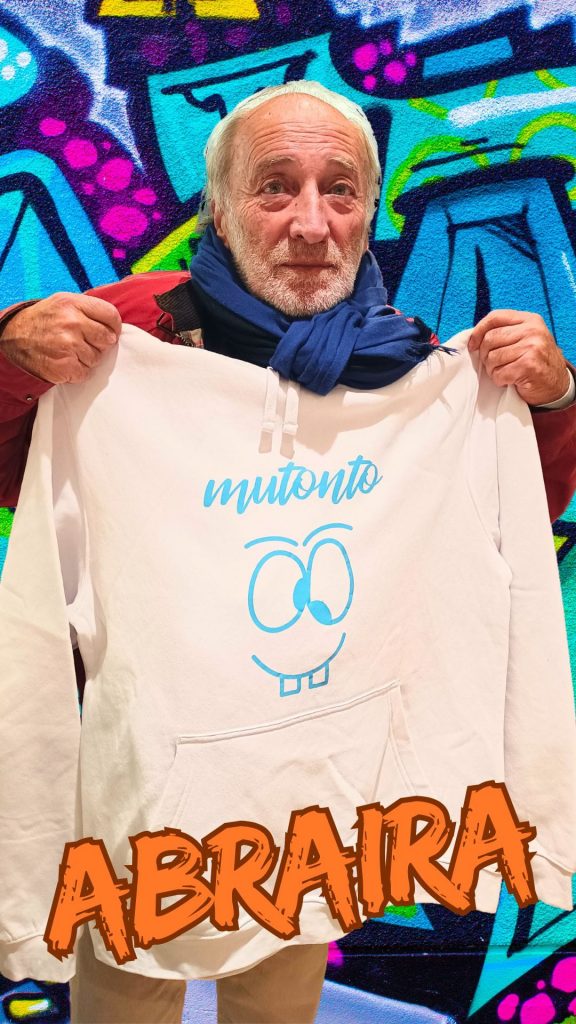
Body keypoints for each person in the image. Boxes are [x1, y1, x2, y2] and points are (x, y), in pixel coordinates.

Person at [0, 81, 575, 1024]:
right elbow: (19, 477)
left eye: (339, 190)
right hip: (150, 784)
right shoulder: (122, 338)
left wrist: (546, 404)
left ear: (368, 212)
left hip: (311, 787)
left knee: (276, 996)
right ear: (220, 211)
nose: (312, 223)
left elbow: (508, 517)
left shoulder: (406, 360)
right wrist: (11, 354)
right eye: (276, 187)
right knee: (128, 995)